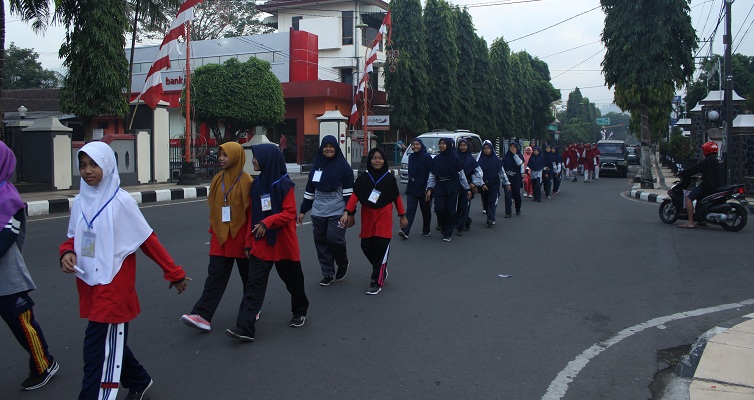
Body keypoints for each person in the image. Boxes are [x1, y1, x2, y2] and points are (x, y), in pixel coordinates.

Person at [59, 142, 189, 400]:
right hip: (90, 281)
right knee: (108, 342)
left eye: (94, 164)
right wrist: (66, 253)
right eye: (83, 165)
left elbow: (148, 241)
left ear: (107, 165)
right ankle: (139, 379)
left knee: (96, 349)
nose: (87, 171)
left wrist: (174, 273)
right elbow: (72, 238)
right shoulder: (81, 200)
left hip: (114, 284)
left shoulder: (121, 202)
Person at [226, 144, 309, 342]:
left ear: (267, 159)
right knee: (253, 285)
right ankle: (245, 327)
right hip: (261, 243)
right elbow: (251, 216)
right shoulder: (256, 185)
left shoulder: (285, 185)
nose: (253, 161)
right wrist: (248, 242)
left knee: (294, 282)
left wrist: (268, 222)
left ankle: (300, 311)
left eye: (256, 157)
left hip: (283, 244)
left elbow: (289, 213)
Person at [1, 142, 59, 391]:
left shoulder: (9, 200)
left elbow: (6, 237)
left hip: (8, 278)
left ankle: (43, 364)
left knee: (22, 325)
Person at [181, 142, 253, 332]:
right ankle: (203, 315)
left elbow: (251, 214)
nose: (220, 158)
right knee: (215, 277)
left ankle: (252, 308)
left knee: (249, 278)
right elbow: (214, 207)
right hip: (220, 237)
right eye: (220, 154)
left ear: (236, 156)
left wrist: (249, 241)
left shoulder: (247, 182)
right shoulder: (217, 179)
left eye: (225, 155)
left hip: (240, 238)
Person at [340, 147, 407, 295]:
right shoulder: (363, 178)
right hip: (368, 217)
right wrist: (347, 212)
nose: (377, 161)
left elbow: (396, 198)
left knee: (381, 248)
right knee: (366, 246)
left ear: (384, 161)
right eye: (374, 158)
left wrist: (402, 215)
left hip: (384, 217)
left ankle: (376, 280)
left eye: (380, 158)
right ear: (370, 160)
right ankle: (380, 268)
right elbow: (355, 196)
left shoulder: (389, 178)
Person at [298, 136, 353, 286]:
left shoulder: (344, 168)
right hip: (318, 212)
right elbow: (310, 191)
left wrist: (348, 212)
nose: (328, 149)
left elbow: (349, 193)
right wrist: (303, 211)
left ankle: (342, 262)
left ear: (336, 148)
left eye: (331, 146)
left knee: (334, 239)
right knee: (321, 242)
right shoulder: (317, 166)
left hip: (338, 212)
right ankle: (327, 272)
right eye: (325, 146)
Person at [425, 138, 471, 242]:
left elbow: (461, 175)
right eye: (440, 144)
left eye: (444, 144)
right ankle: (444, 225)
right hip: (440, 185)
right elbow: (432, 175)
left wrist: (467, 188)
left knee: (451, 210)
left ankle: (448, 232)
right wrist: (429, 188)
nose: (441, 146)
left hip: (452, 186)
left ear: (449, 145)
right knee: (439, 208)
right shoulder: (436, 159)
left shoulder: (455, 159)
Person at [677, 141, 723, 229]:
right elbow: (712, 173)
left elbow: (695, 169)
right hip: (718, 186)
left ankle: (690, 222)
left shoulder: (708, 160)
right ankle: (702, 220)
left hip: (708, 186)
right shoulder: (718, 160)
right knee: (700, 198)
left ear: (706, 150)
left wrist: (682, 173)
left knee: (689, 198)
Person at [399, 138, 433, 239]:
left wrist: (429, 189)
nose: (415, 146)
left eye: (417, 144)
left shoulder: (427, 157)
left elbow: (431, 174)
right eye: (413, 145)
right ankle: (405, 231)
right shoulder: (411, 157)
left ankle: (426, 230)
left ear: (421, 145)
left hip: (424, 189)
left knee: (426, 211)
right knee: (410, 210)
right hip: (413, 188)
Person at [477, 140, 511, 226]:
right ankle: (489, 215)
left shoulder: (496, 161)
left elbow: (502, 173)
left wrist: (506, 183)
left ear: (491, 149)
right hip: (483, 184)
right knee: (486, 201)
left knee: (492, 201)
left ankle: (491, 218)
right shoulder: (480, 160)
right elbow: (477, 173)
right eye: (484, 148)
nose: (486, 150)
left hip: (494, 183)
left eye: (488, 148)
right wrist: (480, 184)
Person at [454, 138, 483, 235]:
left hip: (467, 185)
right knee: (455, 205)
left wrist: (475, 183)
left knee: (464, 206)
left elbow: (479, 173)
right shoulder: (455, 156)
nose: (463, 147)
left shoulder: (471, 159)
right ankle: (465, 221)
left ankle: (460, 227)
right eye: (461, 145)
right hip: (455, 183)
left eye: (465, 145)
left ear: (468, 146)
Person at [501, 141, 524, 217]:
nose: (512, 148)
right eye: (511, 147)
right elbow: (502, 167)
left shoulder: (519, 156)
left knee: (516, 195)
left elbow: (519, 163)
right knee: (508, 196)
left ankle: (518, 208)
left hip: (516, 179)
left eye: (514, 147)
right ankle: (508, 212)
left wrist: (515, 155)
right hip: (507, 179)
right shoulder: (506, 156)